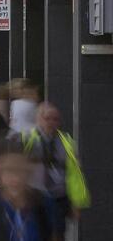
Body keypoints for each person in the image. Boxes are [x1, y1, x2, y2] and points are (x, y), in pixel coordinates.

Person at [23, 101, 89, 238]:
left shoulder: (67, 141)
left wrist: (77, 202)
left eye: (55, 119)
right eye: (47, 118)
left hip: (59, 198)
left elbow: (75, 174)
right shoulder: (26, 139)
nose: (51, 123)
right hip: (35, 198)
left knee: (57, 234)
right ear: (38, 119)